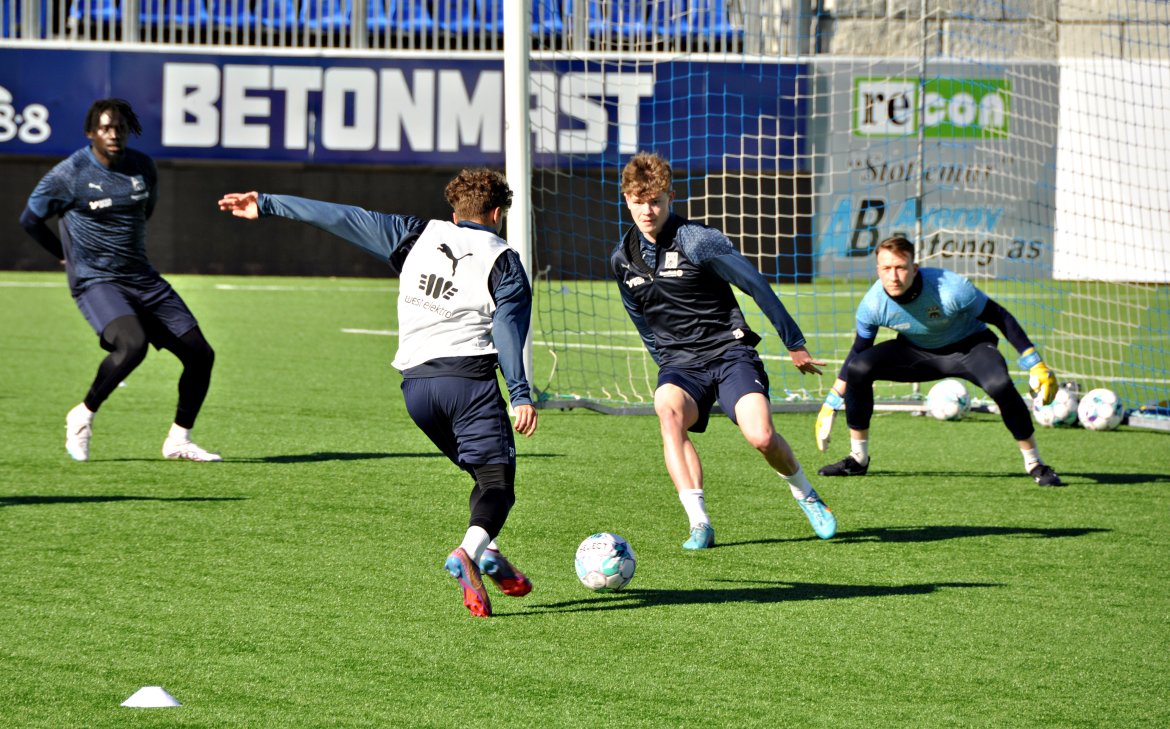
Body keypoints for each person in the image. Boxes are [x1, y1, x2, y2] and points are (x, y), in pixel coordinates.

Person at [216, 168, 537, 618]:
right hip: (468, 384)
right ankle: (468, 553)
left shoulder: (416, 234)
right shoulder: (504, 261)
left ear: (454, 211)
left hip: (416, 390)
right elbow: (506, 329)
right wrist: (520, 393)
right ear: (498, 213)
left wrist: (267, 203)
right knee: (498, 485)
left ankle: (488, 553)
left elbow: (341, 217)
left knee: (482, 477)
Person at [611, 151, 836, 549]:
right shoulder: (622, 259)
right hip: (681, 365)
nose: (647, 211)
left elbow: (755, 285)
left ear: (670, 198)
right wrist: (665, 363)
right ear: (627, 199)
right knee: (667, 410)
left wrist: (794, 343)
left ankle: (806, 493)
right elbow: (641, 320)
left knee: (761, 436)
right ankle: (699, 523)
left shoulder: (698, 240)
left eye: (656, 201)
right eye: (639, 201)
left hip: (729, 353)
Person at [18, 98, 220, 463]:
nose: (114, 135)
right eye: (106, 128)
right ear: (91, 132)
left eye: (121, 128)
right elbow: (30, 220)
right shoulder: (70, 174)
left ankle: (179, 439)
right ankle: (82, 416)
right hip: (96, 281)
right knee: (132, 345)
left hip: (143, 278)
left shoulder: (142, 167)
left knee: (200, 355)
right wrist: (64, 255)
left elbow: (145, 211)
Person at [814, 235, 1063, 487]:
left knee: (1000, 385)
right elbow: (859, 350)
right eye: (886, 268)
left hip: (970, 348)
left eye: (900, 267)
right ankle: (858, 459)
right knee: (859, 368)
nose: (894, 276)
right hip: (916, 353)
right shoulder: (873, 304)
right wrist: (832, 402)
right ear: (878, 270)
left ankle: (1035, 463)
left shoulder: (951, 288)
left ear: (914, 268)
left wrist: (1035, 363)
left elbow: (1001, 317)